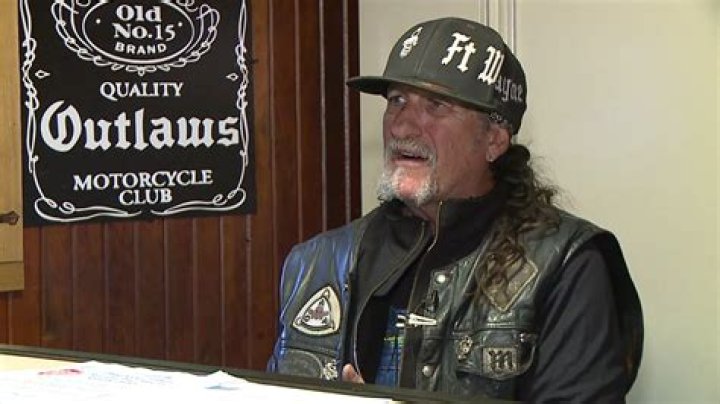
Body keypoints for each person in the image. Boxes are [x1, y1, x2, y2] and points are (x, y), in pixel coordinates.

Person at [267, 17, 643, 402]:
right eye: (397, 101)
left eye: (435, 106)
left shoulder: (565, 266)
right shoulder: (316, 264)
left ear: (493, 140)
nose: (402, 127)